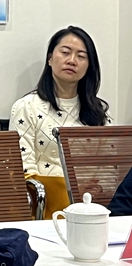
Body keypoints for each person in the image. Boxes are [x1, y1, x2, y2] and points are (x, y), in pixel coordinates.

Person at [9, 25, 111, 219]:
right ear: (50, 58)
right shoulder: (26, 107)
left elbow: (109, 168)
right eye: (65, 52)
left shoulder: (99, 112)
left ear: (89, 66)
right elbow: (23, 169)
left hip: (91, 208)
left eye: (81, 56)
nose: (72, 60)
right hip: (43, 210)